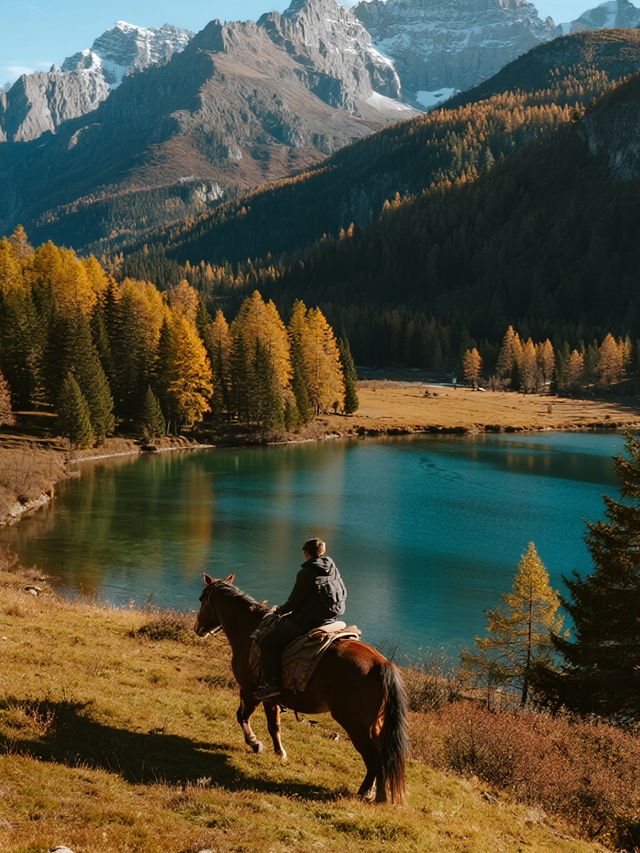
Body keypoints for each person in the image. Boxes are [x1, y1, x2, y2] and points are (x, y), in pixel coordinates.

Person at [254, 537, 347, 701]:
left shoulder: (307, 572)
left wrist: (279, 611)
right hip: (331, 618)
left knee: (268, 643)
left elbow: (294, 602)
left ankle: (272, 685)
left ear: (306, 553)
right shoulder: (332, 568)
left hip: (308, 621)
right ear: (323, 552)